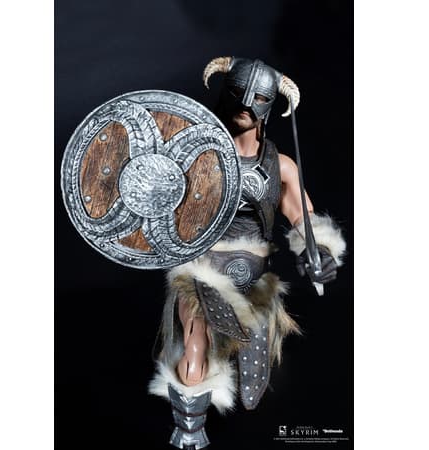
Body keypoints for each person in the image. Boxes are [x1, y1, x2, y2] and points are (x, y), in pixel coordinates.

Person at [148, 56, 346, 450]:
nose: (245, 104)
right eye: (238, 93)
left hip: (255, 283)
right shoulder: (195, 156)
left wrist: (319, 252)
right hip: (202, 273)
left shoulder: (281, 167)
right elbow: (160, 205)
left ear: (270, 105)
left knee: (249, 384)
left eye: (257, 98)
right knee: (195, 348)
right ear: (225, 93)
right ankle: (189, 433)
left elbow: (303, 218)